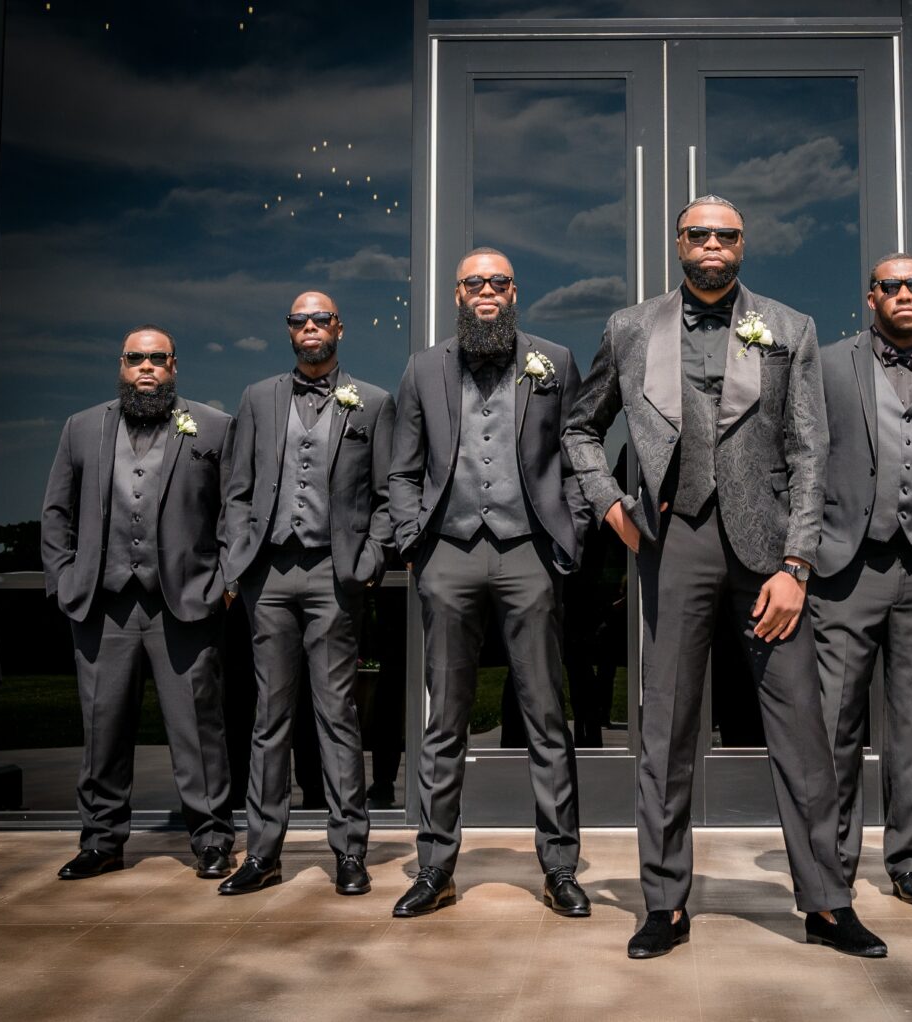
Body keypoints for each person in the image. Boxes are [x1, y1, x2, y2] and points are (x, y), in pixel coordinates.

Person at [563, 196, 883, 959]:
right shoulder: (631, 328)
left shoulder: (789, 327)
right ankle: (665, 904)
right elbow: (580, 427)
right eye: (698, 233)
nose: (712, 244)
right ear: (678, 242)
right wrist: (611, 508)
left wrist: (797, 566)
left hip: (770, 556)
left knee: (802, 731)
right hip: (674, 544)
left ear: (744, 245)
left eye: (726, 234)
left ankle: (828, 903)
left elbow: (811, 454)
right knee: (667, 730)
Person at [389, 248, 591, 919]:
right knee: (443, 720)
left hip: (528, 554)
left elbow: (577, 451)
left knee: (546, 718)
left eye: (498, 282)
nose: (487, 291)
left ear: (513, 293)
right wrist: (415, 538)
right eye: (474, 281)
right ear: (457, 292)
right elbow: (402, 469)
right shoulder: (423, 368)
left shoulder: (554, 361)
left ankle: (559, 868)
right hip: (447, 555)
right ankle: (435, 868)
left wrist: (572, 531)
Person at [809, 254, 912, 905]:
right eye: (891, 287)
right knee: (833, 724)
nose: (903, 295)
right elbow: (793, 455)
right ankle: (831, 858)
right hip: (845, 568)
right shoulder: (826, 365)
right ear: (871, 298)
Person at [42, 325, 236, 880]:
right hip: (102, 607)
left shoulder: (214, 426)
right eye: (135, 359)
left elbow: (234, 512)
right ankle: (102, 841)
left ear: (175, 365)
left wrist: (224, 582)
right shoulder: (81, 428)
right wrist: (61, 579)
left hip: (185, 603)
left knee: (197, 729)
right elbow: (56, 511)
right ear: (121, 365)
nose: (146, 367)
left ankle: (212, 838)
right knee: (102, 728)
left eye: (157, 358)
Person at [220, 292, 395, 896]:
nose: (312, 327)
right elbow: (236, 490)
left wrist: (369, 560)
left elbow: (385, 497)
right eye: (301, 320)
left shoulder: (372, 403)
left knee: (337, 716)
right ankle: (262, 855)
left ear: (339, 327)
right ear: (289, 331)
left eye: (322, 318)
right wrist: (236, 560)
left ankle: (350, 852)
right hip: (267, 576)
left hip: (334, 576)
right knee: (269, 717)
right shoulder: (258, 399)